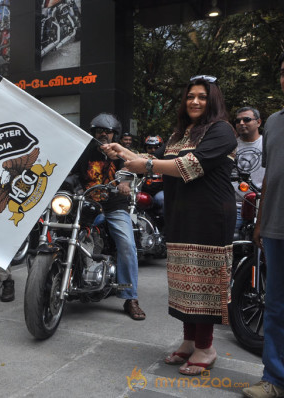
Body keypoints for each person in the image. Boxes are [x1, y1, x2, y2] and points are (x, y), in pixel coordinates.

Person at [102, 75, 237, 376]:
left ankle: (207, 347)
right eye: (190, 96)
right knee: (184, 282)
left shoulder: (222, 130)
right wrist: (124, 153)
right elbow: (155, 160)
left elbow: (191, 165)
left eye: (202, 96)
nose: (195, 101)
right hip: (181, 214)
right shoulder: (181, 132)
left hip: (210, 216)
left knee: (203, 283)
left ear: (212, 100)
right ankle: (190, 342)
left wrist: (147, 165)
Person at [73, 112, 145, 321]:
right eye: (99, 131)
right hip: (87, 205)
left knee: (126, 244)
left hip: (114, 207)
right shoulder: (83, 153)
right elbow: (72, 174)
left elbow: (132, 170)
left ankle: (130, 297)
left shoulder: (122, 154)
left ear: (115, 134)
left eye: (107, 131)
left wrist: (125, 183)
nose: (103, 134)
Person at [242, 54, 284, 398]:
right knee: (275, 306)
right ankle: (274, 378)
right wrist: (259, 221)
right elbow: (269, 175)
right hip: (274, 228)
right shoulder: (274, 122)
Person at [231, 106, 264, 236]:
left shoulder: (267, 143)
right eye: (238, 121)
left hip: (262, 206)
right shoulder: (230, 145)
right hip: (235, 206)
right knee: (233, 246)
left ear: (258, 122)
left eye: (247, 119)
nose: (241, 123)